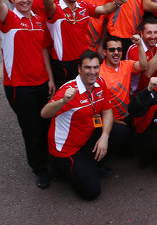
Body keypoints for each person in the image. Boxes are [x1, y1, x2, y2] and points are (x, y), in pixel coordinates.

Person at [0, 0, 53, 190]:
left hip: (43, 84)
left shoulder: (39, 20)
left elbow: (44, 50)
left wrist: (51, 79)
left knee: (47, 126)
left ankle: (51, 162)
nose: (25, 0)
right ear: (13, 0)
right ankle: (39, 169)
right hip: (19, 87)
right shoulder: (9, 19)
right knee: (31, 129)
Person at [41, 50, 114, 200]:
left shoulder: (100, 82)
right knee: (92, 192)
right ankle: (59, 167)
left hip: (86, 136)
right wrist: (62, 101)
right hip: (66, 149)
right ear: (79, 69)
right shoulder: (69, 91)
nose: (92, 72)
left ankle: (89, 164)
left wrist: (105, 137)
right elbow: (44, 113)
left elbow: (107, 111)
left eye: (95, 67)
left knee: (120, 134)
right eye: (87, 68)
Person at [43, 0, 121, 86]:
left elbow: (104, 9)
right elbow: (48, 4)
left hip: (83, 61)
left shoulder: (83, 6)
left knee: (84, 94)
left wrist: (117, 3)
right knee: (67, 99)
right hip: (63, 66)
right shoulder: (55, 9)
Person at [99, 36, 148, 153]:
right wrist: (115, 121)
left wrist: (140, 45)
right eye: (112, 50)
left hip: (127, 114)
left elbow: (144, 66)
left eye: (119, 49)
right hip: (110, 120)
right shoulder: (99, 73)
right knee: (123, 134)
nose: (116, 53)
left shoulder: (126, 65)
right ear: (104, 52)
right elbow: (98, 108)